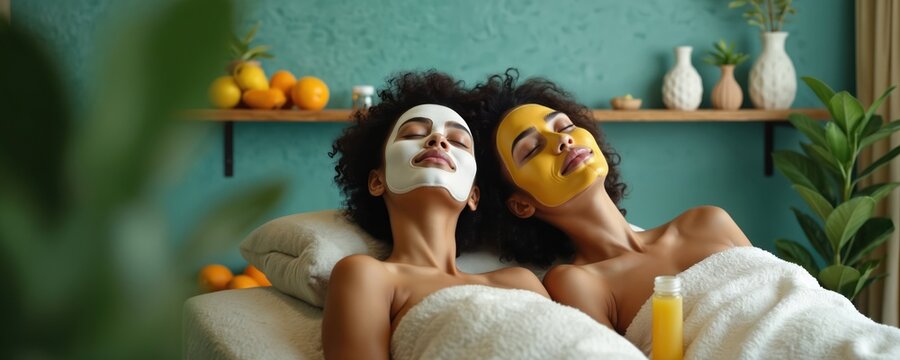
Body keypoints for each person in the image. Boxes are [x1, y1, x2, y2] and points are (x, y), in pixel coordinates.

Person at [471, 70, 900, 359]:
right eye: (532, 148)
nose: (562, 142)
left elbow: (797, 302)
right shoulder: (579, 282)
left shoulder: (708, 221)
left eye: (564, 126)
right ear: (520, 204)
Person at [321, 71, 551, 359]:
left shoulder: (520, 282)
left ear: (473, 195)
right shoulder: (368, 276)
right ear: (377, 181)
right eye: (414, 134)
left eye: (458, 141)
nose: (438, 140)